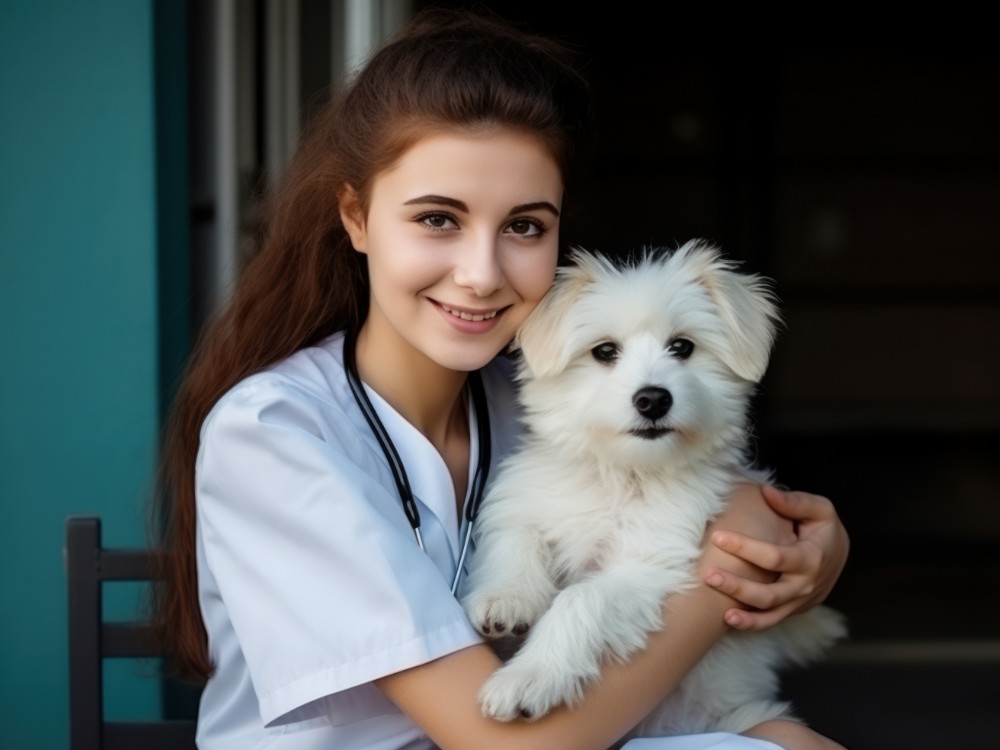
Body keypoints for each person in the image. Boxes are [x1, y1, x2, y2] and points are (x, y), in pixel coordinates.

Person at [153, 8, 850, 750]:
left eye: (523, 226)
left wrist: (810, 556)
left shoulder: (539, 400)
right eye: (437, 219)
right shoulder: (278, 434)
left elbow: (702, 496)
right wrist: (728, 568)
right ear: (356, 218)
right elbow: (508, 743)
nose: (482, 275)